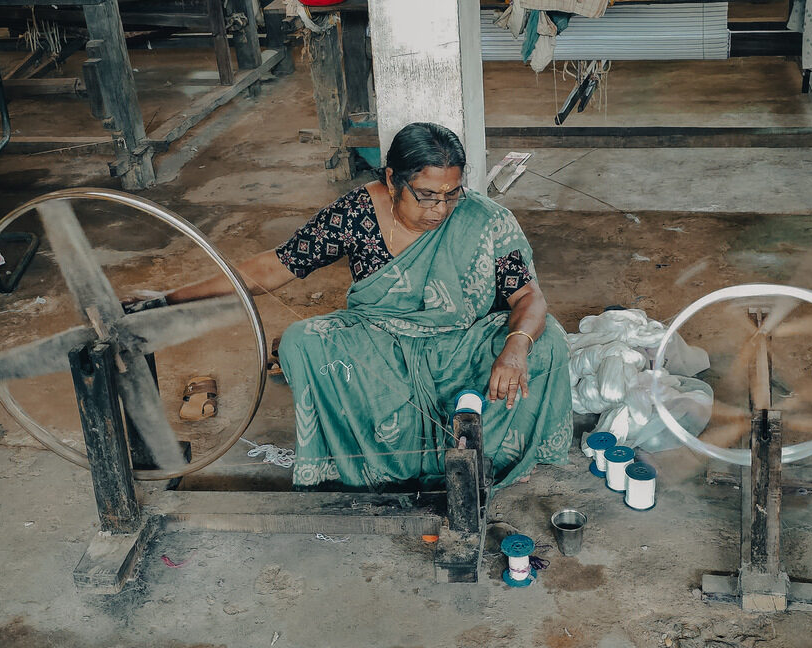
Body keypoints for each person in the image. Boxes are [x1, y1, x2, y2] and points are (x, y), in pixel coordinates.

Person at [164, 122, 572, 488]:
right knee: (301, 341)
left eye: (452, 195)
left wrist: (515, 349)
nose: (440, 209)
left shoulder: (486, 220)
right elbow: (277, 265)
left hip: (459, 347)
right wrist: (170, 298)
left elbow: (529, 296)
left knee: (547, 339)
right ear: (393, 179)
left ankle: (493, 455)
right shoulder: (356, 214)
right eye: (426, 195)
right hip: (380, 347)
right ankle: (392, 460)